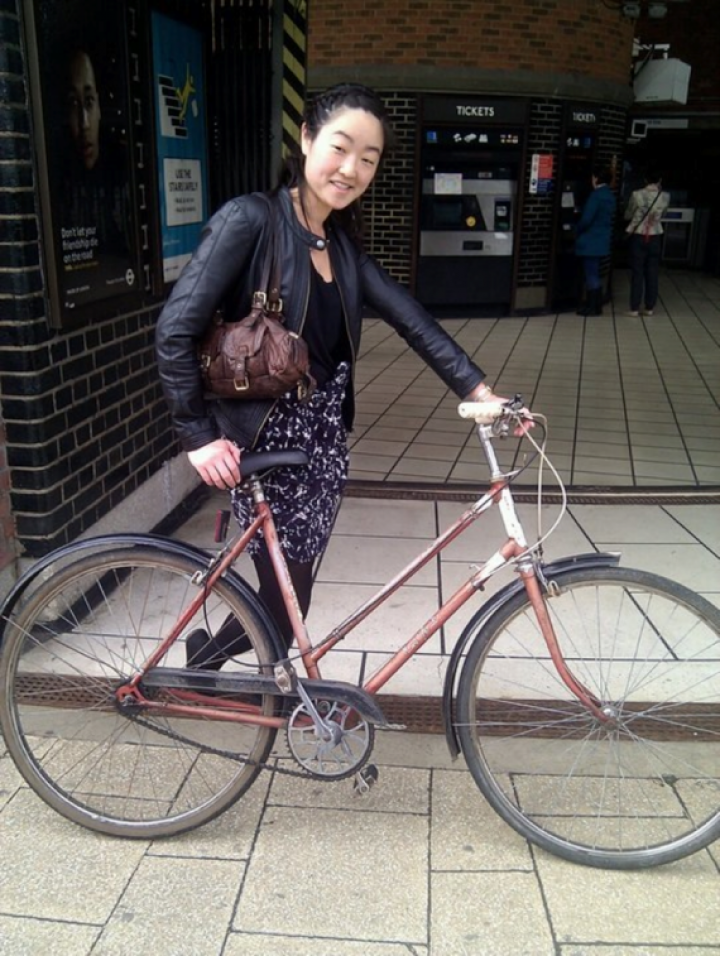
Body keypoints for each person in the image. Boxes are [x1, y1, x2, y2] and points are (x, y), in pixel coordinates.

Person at [155, 83, 529, 671]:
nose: (351, 169)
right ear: (306, 138)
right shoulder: (250, 220)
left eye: (369, 158)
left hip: (324, 443)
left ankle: (208, 660)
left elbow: (412, 319)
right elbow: (175, 329)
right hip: (265, 441)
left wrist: (482, 393)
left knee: (287, 595)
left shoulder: (342, 247)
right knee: (289, 600)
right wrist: (197, 436)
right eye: (340, 147)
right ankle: (219, 672)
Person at [624, 169, 670, 317]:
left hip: (638, 235)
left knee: (637, 272)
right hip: (655, 235)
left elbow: (629, 213)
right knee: (652, 272)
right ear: (660, 180)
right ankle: (649, 307)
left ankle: (634, 307)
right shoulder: (665, 196)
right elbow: (663, 214)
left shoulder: (636, 194)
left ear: (645, 180)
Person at [574, 166, 616, 317]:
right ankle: (596, 305)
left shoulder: (596, 196)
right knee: (595, 271)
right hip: (602, 238)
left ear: (596, 178)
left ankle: (593, 306)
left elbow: (586, 219)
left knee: (590, 273)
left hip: (590, 239)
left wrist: (576, 229)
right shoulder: (610, 196)